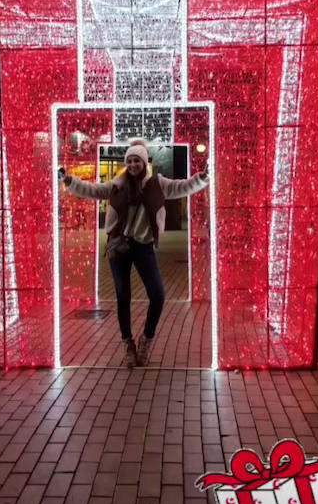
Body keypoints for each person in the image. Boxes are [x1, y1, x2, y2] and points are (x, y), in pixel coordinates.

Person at [58, 140, 209, 369]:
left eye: (136, 160)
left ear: (144, 162)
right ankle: (127, 343)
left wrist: (203, 178)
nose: (132, 164)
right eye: (128, 161)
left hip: (144, 247)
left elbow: (182, 187)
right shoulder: (118, 184)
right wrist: (69, 181)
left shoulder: (158, 184)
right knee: (123, 297)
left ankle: (146, 340)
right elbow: (93, 190)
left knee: (157, 295)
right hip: (119, 247)